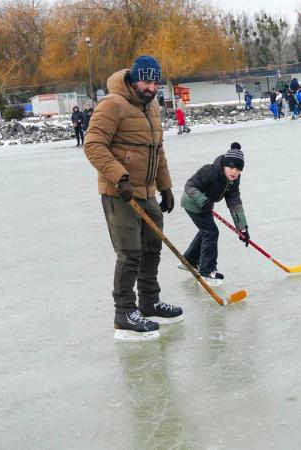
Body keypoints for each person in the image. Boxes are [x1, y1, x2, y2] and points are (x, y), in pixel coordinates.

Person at [83, 55, 181, 342]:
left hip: (147, 191)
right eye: (146, 81)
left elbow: (157, 150)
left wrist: (165, 187)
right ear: (133, 79)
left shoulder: (152, 108)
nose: (151, 88)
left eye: (155, 83)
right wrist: (120, 177)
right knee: (129, 253)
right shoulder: (112, 104)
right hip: (119, 192)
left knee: (152, 247)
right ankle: (124, 312)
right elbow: (93, 145)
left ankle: (149, 302)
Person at [180, 143, 249, 285]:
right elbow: (189, 186)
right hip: (192, 203)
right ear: (224, 165)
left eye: (238, 169)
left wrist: (242, 229)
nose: (234, 172)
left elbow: (234, 203)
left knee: (206, 231)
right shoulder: (209, 171)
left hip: (206, 205)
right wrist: (202, 201)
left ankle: (189, 260)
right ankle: (207, 270)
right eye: (231, 167)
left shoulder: (233, 181)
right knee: (211, 232)